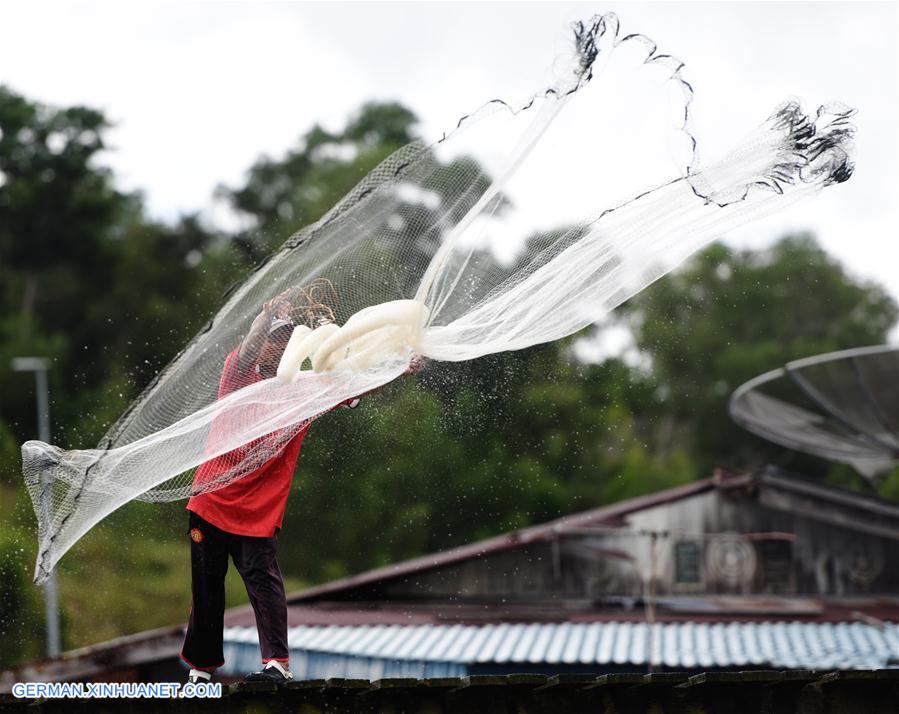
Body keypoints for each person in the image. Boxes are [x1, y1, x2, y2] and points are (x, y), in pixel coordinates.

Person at [179, 289, 422, 683]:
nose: (277, 346)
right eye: (273, 338)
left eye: (285, 339)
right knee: (207, 587)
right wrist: (266, 316)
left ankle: (277, 665)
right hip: (212, 501)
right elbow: (247, 349)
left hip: (258, 512)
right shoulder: (240, 375)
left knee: (264, 581)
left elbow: (354, 387)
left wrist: (401, 367)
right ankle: (202, 671)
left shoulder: (304, 391)